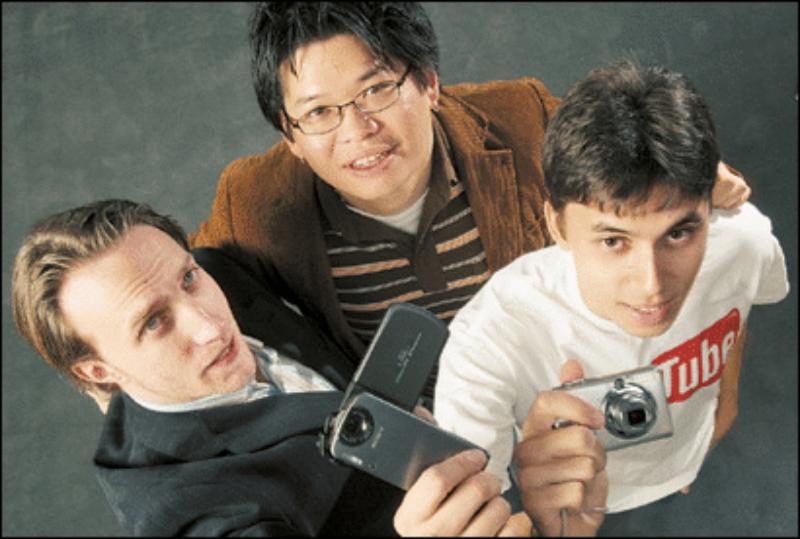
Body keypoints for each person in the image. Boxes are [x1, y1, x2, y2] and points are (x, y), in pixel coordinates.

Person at [189, 2, 750, 404]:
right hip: (419, 443)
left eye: (376, 90)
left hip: (557, 399)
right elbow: (183, 285)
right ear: (290, 135)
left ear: (429, 83)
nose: (357, 130)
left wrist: (692, 179)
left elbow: (624, 149)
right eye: (318, 113)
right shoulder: (255, 202)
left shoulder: (521, 118)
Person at [11, 199, 533, 537]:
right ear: (98, 371)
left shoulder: (218, 271)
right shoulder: (187, 513)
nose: (210, 326)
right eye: (153, 324)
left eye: (188, 279)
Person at [433, 60, 790, 536]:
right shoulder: (487, 343)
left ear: (710, 211)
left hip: (701, 471)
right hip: (568, 514)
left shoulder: (744, 242)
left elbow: (737, 304)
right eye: (613, 240)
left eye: (679, 233)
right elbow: (474, 520)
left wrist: (726, 406)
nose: (652, 285)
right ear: (556, 225)